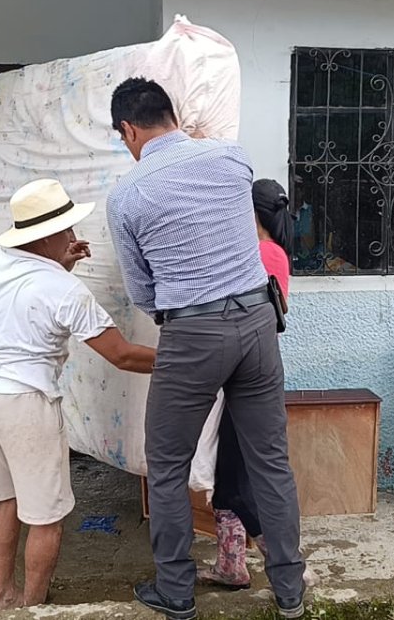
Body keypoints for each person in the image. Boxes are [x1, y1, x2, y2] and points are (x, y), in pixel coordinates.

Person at [106, 78, 307, 620]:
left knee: (168, 466)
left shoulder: (126, 196)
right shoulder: (231, 158)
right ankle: (290, 591)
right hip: (259, 320)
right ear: (172, 114)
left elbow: (142, 291)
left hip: (193, 332)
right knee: (270, 461)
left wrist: (188, 313)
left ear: (127, 129)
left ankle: (175, 593)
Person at [0, 178, 156, 611]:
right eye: (66, 231)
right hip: (26, 404)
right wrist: (184, 362)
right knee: (47, 518)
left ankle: (3, 599)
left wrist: (59, 263)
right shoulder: (64, 290)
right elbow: (122, 356)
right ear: (46, 237)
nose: (73, 237)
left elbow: (24, 299)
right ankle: (33, 608)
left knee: (9, 501)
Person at [199, 178, 295, 589]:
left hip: (242, 380)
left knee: (236, 482)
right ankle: (231, 566)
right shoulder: (276, 253)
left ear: (249, 212)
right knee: (230, 477)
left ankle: (285, 563)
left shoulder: (256, 253)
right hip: (257, 373)